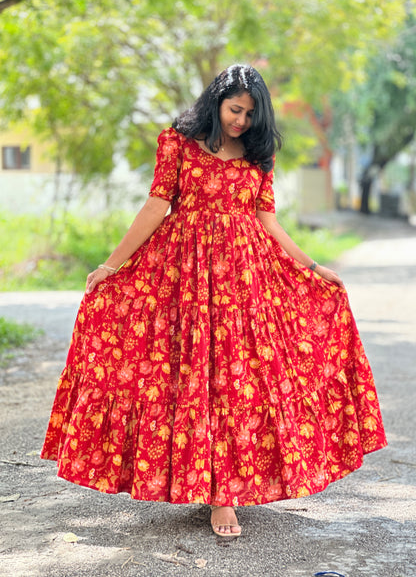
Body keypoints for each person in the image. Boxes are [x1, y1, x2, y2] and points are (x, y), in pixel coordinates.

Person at [41, 64, 387, 538]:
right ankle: (196, 481)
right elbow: (155, 206)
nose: (241, 121)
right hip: (181, 274)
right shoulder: (177, 143)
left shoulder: (258, 155)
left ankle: (225, 495)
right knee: (182, 373)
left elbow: (268, 219)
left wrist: (311, 267)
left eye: (250, 113)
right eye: (235, 109)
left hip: (245, 278)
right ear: (216, 102)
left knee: (237, 377)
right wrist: (113, 265)